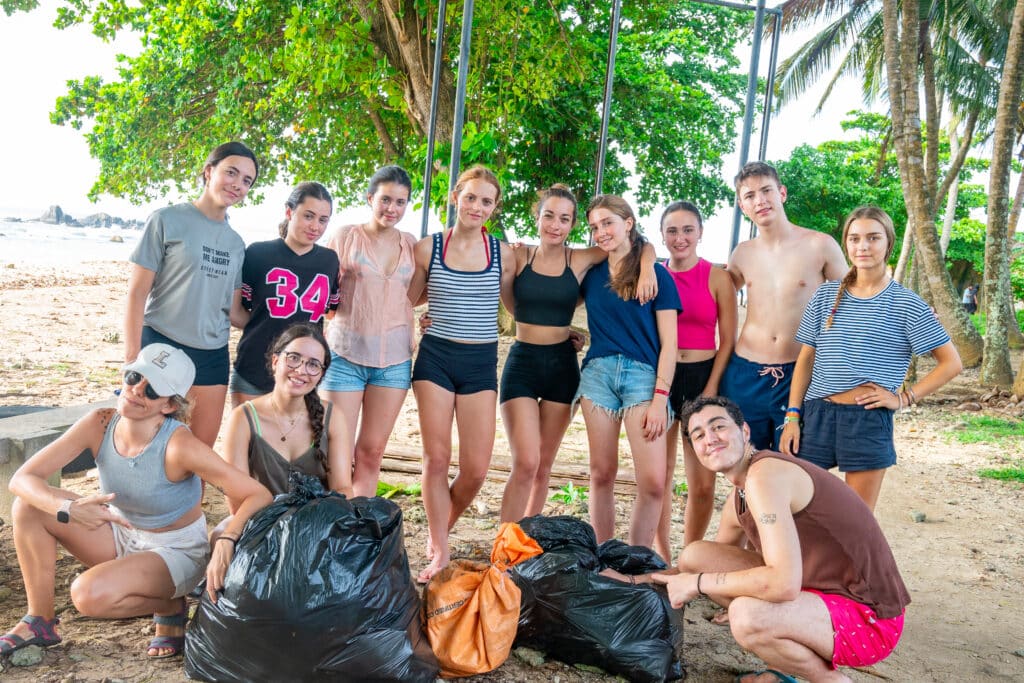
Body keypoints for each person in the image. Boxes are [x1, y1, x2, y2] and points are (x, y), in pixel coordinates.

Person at [0, 344, 272, 659]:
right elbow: (22, 479)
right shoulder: (100, 423)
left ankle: (170, 605)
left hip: (174, 550)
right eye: (134, 377)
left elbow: (257, 493)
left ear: (170, 405)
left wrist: (226, 538)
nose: (136, 390)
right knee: (29, 507)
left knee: (86, 595)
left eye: (152, 389)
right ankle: (40, 621)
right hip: (120, 529)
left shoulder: (180, 445)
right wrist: (67, 508)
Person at [652, 396, 911, 683]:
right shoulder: (741, 489)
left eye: (718, 426)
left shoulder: (765, 476)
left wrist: (698, 583)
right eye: (699, 435)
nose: (710, 439)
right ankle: (783, 656)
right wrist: (639, 579)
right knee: (696, 556)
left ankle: (830, 680)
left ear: (745, 431)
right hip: (819, 591)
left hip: (870, 619)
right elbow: (709, 564)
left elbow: (782, 584)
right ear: (695, 450)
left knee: (747, 616)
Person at [780, 206, 962, 511]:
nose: (862, 246)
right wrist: (792, 416)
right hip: (816, 415)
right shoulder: (824, 296)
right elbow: (806, 360)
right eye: (854, 238)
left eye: (873, 238)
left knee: (856, 518)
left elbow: (951, 363)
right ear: (846, 244)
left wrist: (904, 398)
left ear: (888, 243)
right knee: (800, 511)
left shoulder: (907, 304)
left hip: (866, 420)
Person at [498, 184, 658, 524]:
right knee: (525, 462)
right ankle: (505, 542)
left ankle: (528, 536)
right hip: (522, 363)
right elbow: (504, 297)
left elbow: (636, 243)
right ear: (537, 218)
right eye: (549, 216)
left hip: (562, 366)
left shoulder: (581, 258)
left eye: (564, 219)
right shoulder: (518, 255)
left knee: (543, 466)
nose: (555, 225)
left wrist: (647, 268)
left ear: (572, 225)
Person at [406, 165, 516, 583]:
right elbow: (407, 300)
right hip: (435, 359)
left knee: (475, 469)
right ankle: (440, 549)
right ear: (455, 197)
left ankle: (438, 533)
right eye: (470, 197)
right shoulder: (427, 248)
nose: (477, 207)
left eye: (486, 201)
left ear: (494, 207)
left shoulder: (504, 254)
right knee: (436, 459)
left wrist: (565, 333)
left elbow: (521, 308)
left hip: (480, 363)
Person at [125, 141, 259, 447]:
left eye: (246, 181)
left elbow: (235, 312)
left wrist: (281, 323)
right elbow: (137, 293)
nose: (237, 185)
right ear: (209, 171)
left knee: (197, 453)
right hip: (160, 346)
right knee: (146, 447)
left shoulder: (236, 244)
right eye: (231, 173)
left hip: (211, 356)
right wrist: (133, 358)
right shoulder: (166, 220)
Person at [576, 194, 680, 554]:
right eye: (595, 227)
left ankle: (636, 561)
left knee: (652, 482)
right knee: (601, 473)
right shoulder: (591, 275)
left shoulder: (657, 275)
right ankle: (603, 557)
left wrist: (660, 399)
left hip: (643, 378)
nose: (601, 232)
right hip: (598, 376)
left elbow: (670, 344)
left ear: (628, 223)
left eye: (608, 223)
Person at [721, 161, 847, 451]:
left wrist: (908, 311)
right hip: (745, 373)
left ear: (782, 193)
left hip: (798, 372)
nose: (760, 200)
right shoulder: (742, 254)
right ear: (742, 206)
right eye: (750, 195)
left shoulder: (819, 245)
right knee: (745, 463)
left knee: (796, 464)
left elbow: (857, 296)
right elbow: (710, 294)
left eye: (766, 190)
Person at [321, 166, 418, 498]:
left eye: (400, 202)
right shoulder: (345, 236)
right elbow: (324, 289)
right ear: (370, 198)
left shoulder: (411, 244)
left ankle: (360, 518)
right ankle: (336, 516)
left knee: (372, 452)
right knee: (336, 451)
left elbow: (416, 293)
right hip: (344, 356)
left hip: (394, 361)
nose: (392, 208)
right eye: (385, 199)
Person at [655, 201, 737, 562]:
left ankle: (690, 557)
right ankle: (661, 556)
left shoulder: (717, 277)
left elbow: (728, 340)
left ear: (700, 233)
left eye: (688, 230)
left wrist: (711, 388)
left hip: (703, 378)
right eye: (672, 231)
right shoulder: (654, 275)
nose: (680, 238)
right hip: (661, 378)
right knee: (658, 478)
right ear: (662, 235)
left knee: (702, 484)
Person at [221, 323, 352, 512]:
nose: (301, 370)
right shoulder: (243, 419)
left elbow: (342, 489)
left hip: (318, 522)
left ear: (321, 375)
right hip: (258, 521)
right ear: (275, 361)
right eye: (294, 358)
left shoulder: (332, 417)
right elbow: (237, 501)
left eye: (313, 364)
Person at [230, 182, 340, 406]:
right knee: (249, 429)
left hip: (303, 374)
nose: (315, 226)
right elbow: (238, 310)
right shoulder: (258, 254)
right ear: (289, 212)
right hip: (254, 367)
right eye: (308, 216)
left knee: (296, 430)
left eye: (323, 220)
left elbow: (329, 312)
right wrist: (264, 327)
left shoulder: (329, 260)